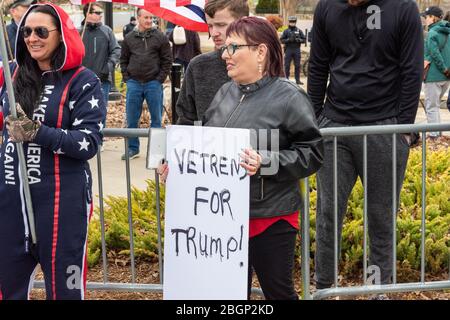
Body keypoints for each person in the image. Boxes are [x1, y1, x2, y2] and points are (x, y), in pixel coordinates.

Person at [160, 16, 323, 300]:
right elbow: (206, 148)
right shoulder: (225, 92)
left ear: (260, 51)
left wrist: (267, 162)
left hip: (271, 217)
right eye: (226, 48)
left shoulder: (290, 97)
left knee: (278, 292)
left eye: (234, 48)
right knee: (230, 294)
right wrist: (179, 168)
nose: (225, 54)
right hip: (223, 219)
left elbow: (312, 152)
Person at [308, 0, 423, 294]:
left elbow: (411, 71)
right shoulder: (327, 8)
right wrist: (313, 121)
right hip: (334, 126)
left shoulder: (403, 8)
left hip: (384, 126)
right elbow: (318, 66)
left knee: (381, 217)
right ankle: (324, 288)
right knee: (328, 215)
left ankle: (378, 289)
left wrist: (403, 130)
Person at [0, 3, 106, 300]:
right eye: (27, 31)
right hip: (10, 201)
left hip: (62, 205)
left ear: (61, 35)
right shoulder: (12, 75)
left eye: (41, 31)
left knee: (64, 292)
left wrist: (38, 132)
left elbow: (89, 142)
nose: (32, 38)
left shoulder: (83, 81)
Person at [175, 0, 249, 125]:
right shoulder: (198, 66)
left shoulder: (264, 64)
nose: (214, 33)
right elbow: (186, 121)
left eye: (221, 25)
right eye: (210, 26)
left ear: (244, 22)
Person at [119, 8, 172, 160]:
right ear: (138, 18)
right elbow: (123, 60)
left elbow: (167, 60)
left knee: (156, 119)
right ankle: (133, 149)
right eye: (146, 17)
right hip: (134, 83)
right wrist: (127, 78)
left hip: (153, 84)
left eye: (151, 17)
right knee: (132, 119)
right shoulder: (129, 38)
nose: (149, 20)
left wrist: (159, 79)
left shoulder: (160, 37)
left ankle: (156, 152)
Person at [80, 3, 121, 111]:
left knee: (100, 112)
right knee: (81, 111)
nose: (101, 15)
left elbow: (116, 50)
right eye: (97, 13)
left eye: (101, 12)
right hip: (81, 81)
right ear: (88, 14)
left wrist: (108, 67)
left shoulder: (107, 30)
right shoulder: (78, 32)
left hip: (102, 80)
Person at [422, 6, 450, 139]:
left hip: (434, 76)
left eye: (426, 17)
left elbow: (435, 53)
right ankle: (437, 134)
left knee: (431, 107)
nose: (425, 20)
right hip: (446, 77)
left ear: (433, 17)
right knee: (435, 106)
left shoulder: (432, 33)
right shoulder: (448, 32)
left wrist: (443, 67)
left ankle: (434, 136)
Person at [280, 16, 305, 85]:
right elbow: (281, 40)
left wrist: (298, 40)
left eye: (293, 22)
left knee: (297, 65)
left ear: (295, 22)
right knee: (287, 65)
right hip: (288, 49)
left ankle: (297, 80)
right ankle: (286, 79)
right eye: (291, 22)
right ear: (289, 22)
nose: (292, 23)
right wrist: (288, 40)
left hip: (296, 49)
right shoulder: (286, 31)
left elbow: (304, 39)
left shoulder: (299, 31)